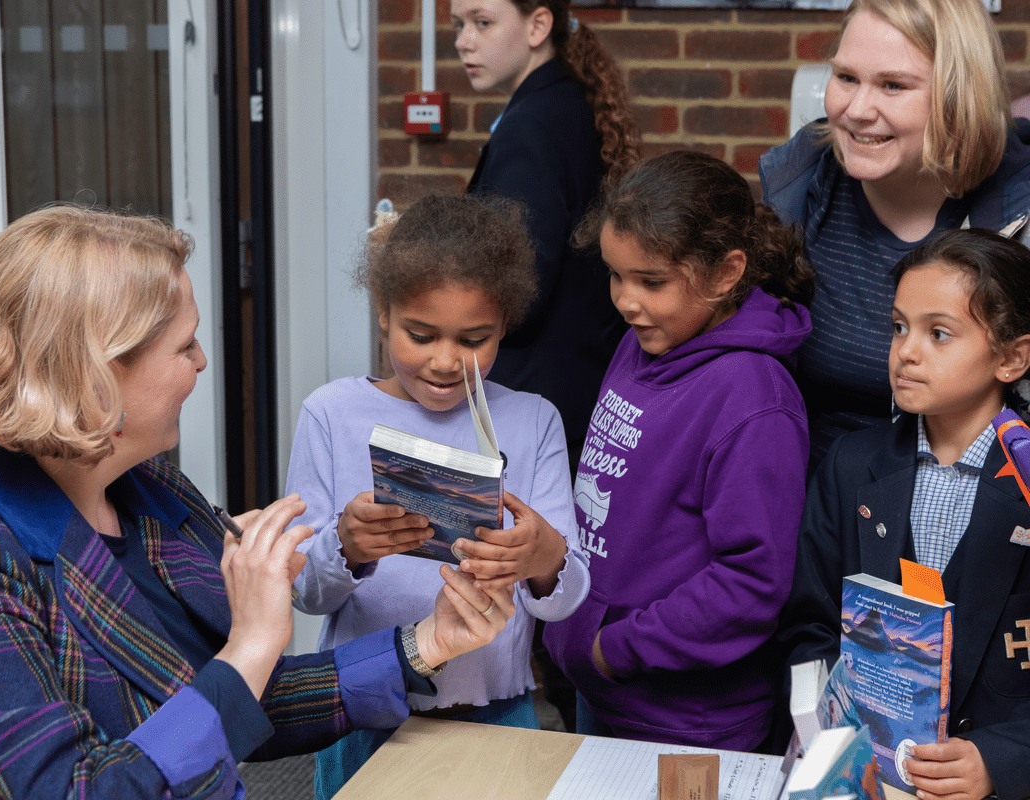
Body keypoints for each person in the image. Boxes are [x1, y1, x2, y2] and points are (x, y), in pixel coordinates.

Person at [0, 205, 516, 800]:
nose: (204, 362)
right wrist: (254, 640)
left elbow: (239, 701)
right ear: (93, 372)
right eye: (184, 346)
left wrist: (429, 643)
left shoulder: (152, 494)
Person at [287, 193, 590, 798]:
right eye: (420, 335)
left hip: (496, 710)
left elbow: (566, 600)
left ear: (504, 322)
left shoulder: (532, 421)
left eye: (474, 339)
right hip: (361, 710)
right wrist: (346, 546)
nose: (446, 362)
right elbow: (305, 593)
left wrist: (542, 559)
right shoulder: (331, 414)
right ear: (383, 312)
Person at [543, 151, 815, 752]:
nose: (625, 300)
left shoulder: (754, 399)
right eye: (616, 275)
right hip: (606, 689)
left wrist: (613, 650)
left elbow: (751, 582)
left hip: (686, 719)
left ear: (725, 274)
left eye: (651, 281)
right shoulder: (647, 339)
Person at [775, 228, 1030, 800]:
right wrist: (827, 732)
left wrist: (1004, 761)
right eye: (898, 327)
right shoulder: (851, 464)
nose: (907, 351)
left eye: (939, 333)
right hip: (864, 777)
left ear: (1011, 358)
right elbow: (809, 621)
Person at [758, 0, 1030, 467]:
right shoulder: (798, 192)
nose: (857, 110)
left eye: (892, 85)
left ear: (956, 95)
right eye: (846, 78)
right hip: (810, 508)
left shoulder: (1017, 221)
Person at [452, 0, 639, 470]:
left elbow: (520, 288)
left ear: (538, 25)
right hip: (578, 383)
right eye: (458, 24)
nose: (463, 41)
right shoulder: (566, 101)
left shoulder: (531, 126)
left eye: (482, 22)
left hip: (536, 395)